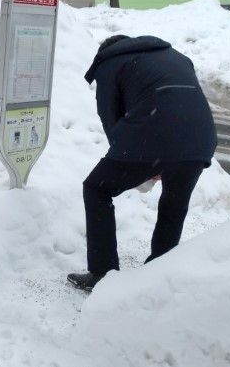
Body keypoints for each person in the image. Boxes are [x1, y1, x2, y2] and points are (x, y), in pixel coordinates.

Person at [67, 35, 217, 291]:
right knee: (174, 202)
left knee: (97, 188)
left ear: (105, 51)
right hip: (200, 141)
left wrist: (139, 157)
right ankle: (160, 270)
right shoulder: (177, 56)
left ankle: (102, 272)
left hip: (152, 137)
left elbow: (110, 118)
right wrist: (160, 160)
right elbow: (182, 101)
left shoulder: (110, 62)